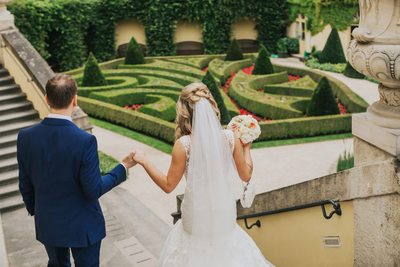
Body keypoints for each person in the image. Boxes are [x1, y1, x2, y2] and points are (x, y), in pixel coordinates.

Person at [132, 82, 274, 266]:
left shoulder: (183, 145)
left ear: (183, 112)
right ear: (211, 106)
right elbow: (246, 174)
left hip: (196, 214)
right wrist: (247, 147)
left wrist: (143, 160)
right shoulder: (230, 138)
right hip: (222, 212)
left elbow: (168, 185)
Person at [17, 74, 137, 267]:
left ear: (46, 99)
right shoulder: (84, 141)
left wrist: (38, 211)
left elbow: (25, 183)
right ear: (75, 100)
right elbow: (93, 189)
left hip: (48, 221)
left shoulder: (25, 137)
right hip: (83, 225)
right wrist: (122, 168)